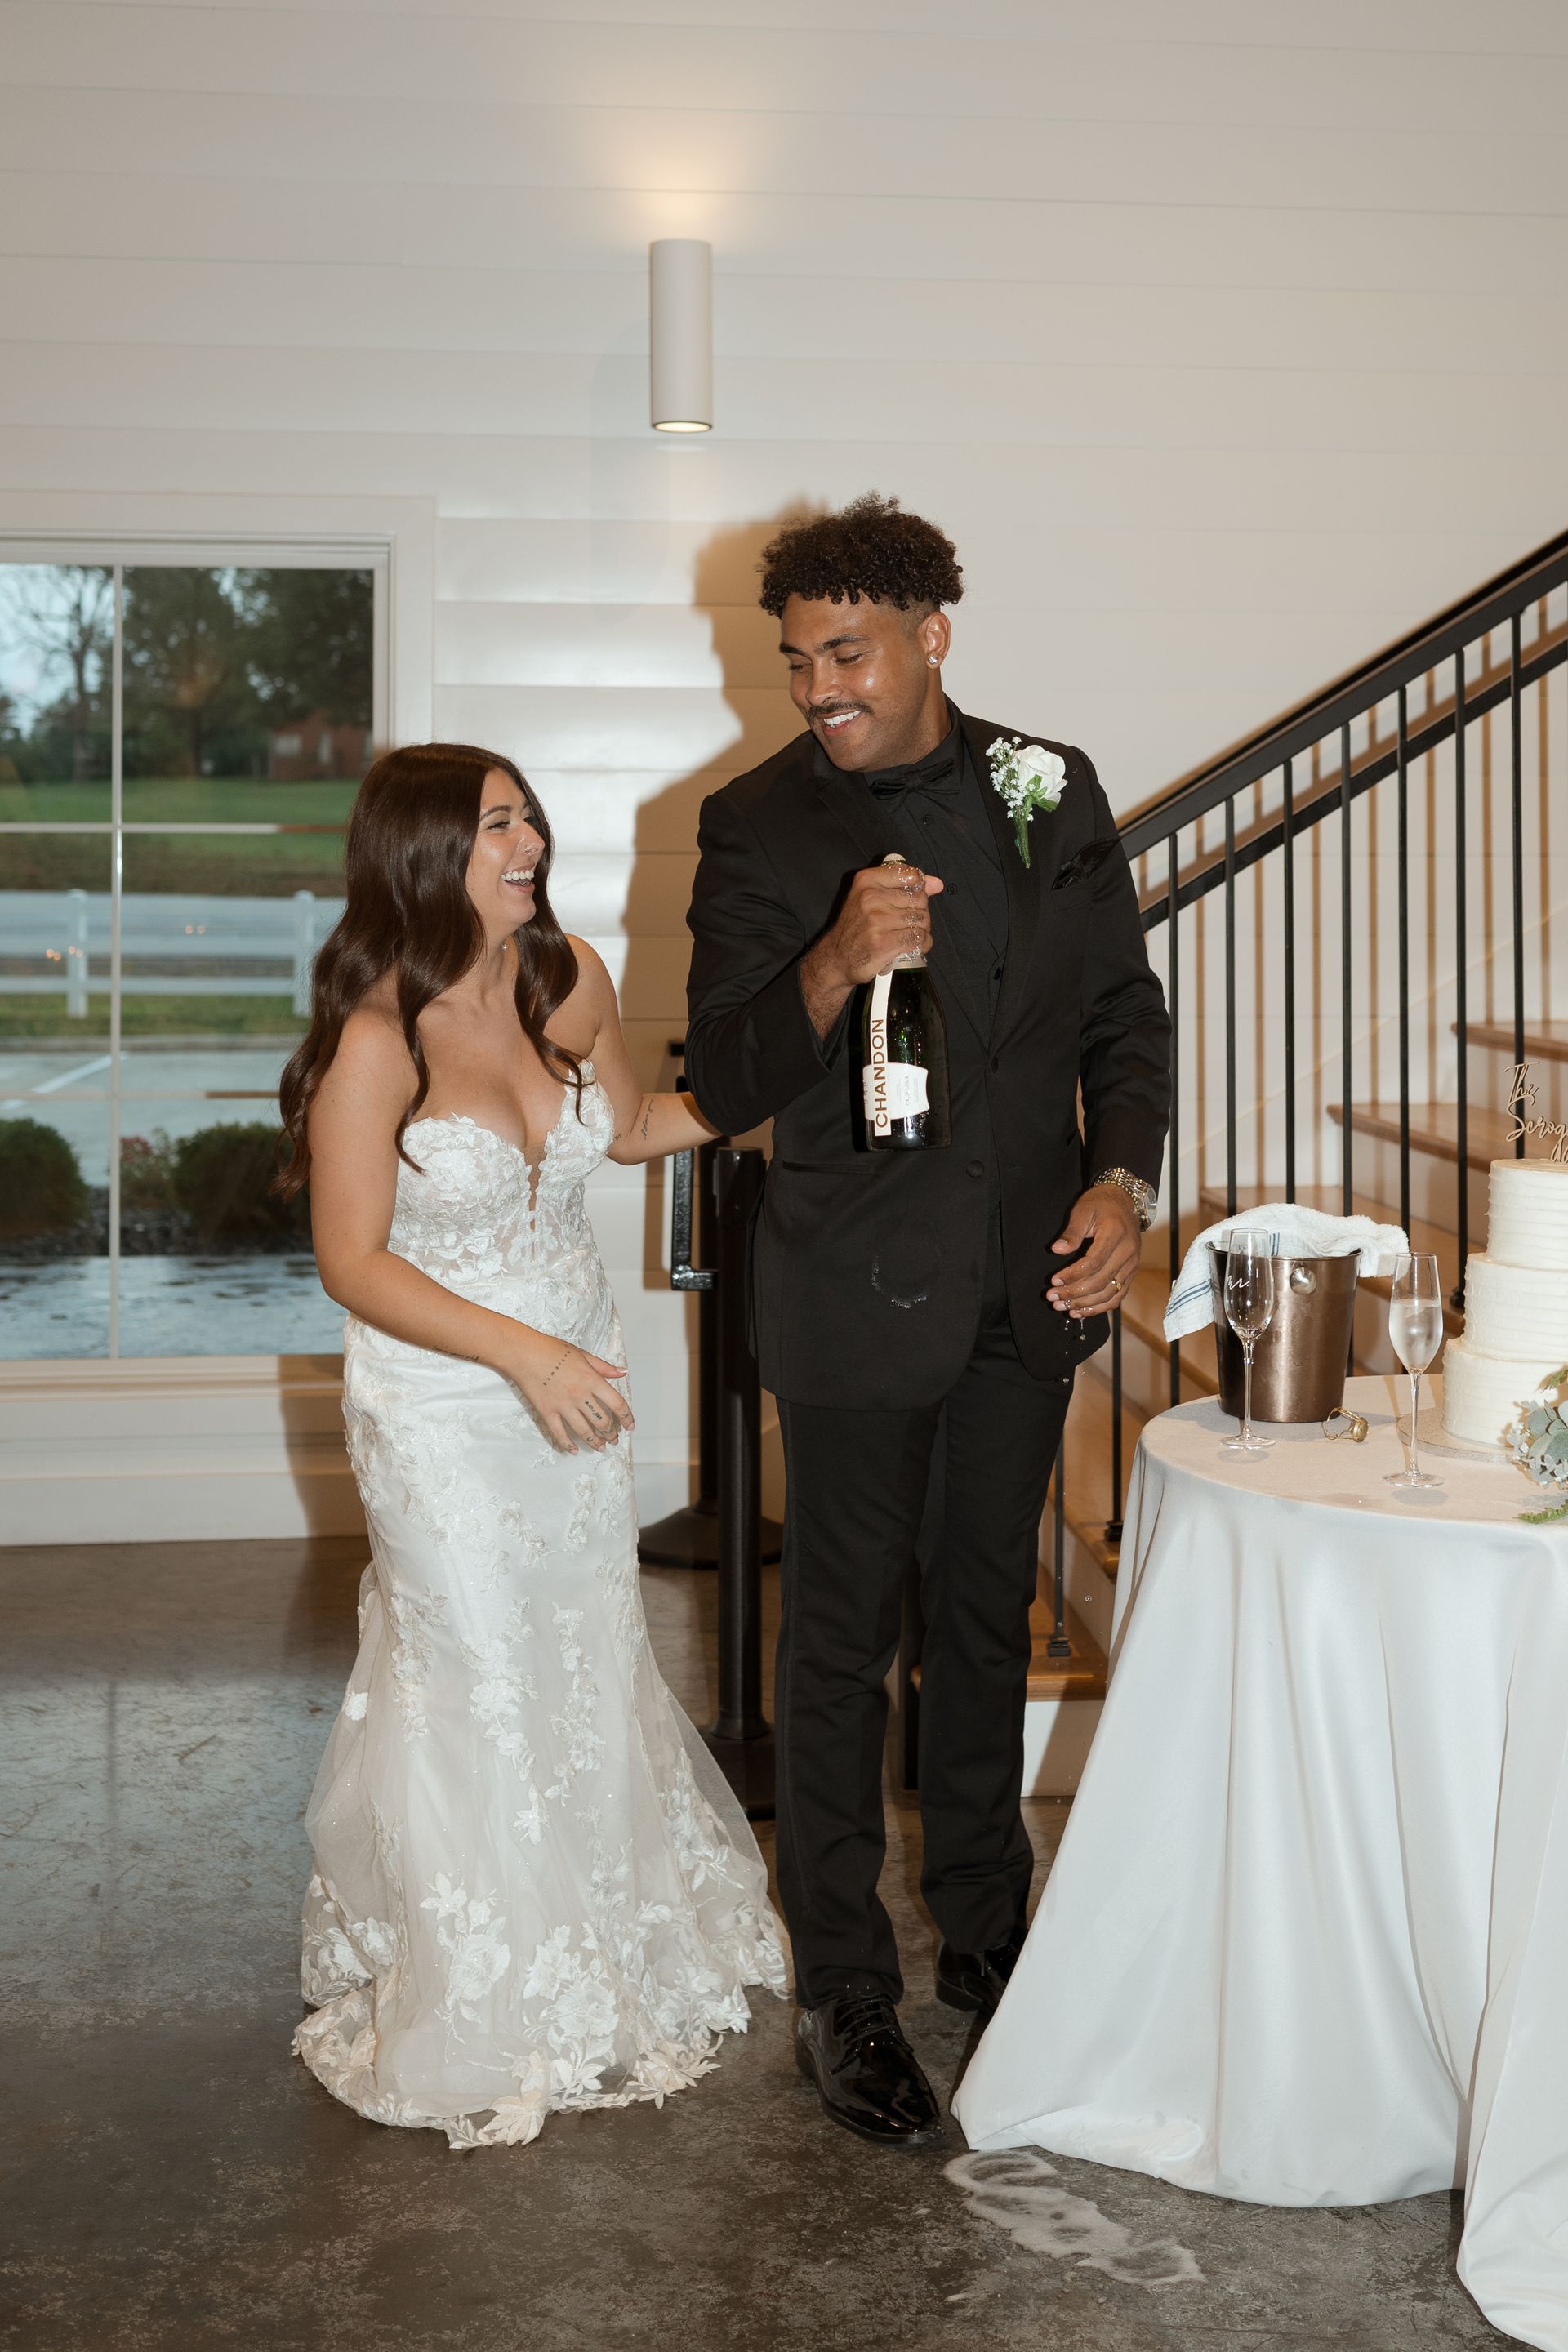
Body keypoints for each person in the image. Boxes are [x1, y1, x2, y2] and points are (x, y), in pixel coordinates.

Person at [684, 496, 1169, 2146]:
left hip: (1027, 1289)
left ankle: (984, 1930)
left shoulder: (1044, 783)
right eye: (796, 658)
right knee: (838, 1646)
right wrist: (829, 964)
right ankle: (844, 1988)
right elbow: (729, 1078)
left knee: (980, 1629)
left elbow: (1122, 1013)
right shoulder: (755, 826)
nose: (818, 684)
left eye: (849, 653)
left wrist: (1122, 1179)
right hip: (850, 1297)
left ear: (933, 637)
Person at [278, 742, 784, 2149]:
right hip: (446, 1408)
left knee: (578, 1653)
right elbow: (350, 1261)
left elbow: (628, 1129)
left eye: (528, 817)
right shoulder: (377, 1036)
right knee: (477, 1676)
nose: (529, 843)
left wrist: (786, 1086)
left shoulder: (568, 983)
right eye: (496, 824)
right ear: (423, 854)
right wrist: (522, 1353)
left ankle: (604, 1937)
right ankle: (486, 1992)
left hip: (576, 1399)